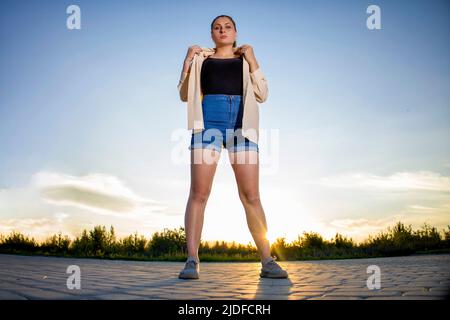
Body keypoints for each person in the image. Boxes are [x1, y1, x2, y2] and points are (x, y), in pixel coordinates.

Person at [177, 15, 288, 279]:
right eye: (217, 27)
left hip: (242, 126)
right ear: (212, 34)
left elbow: (263, 94)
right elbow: (184, 95)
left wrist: (253, 59)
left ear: (235, 31)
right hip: (208, 125)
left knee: (251, 196)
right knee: (198, 193)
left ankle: (267, 261)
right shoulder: (201, 59)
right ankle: (192, 259)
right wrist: (186, 63)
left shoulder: (244, 60)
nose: (222, 30)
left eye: (227, 26)